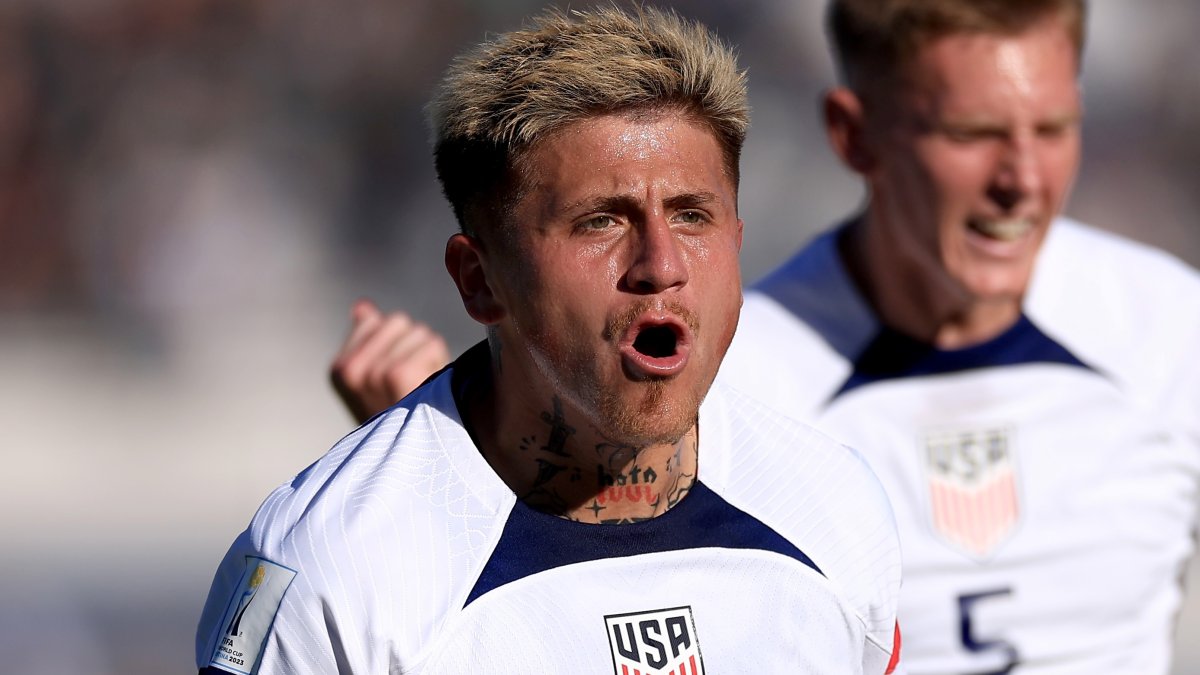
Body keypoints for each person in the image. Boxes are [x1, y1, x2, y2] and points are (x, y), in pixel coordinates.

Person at [330, 1, 1200, 672]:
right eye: (971, 134)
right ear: (852, 135)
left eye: (1054, 128)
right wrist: (439, 451)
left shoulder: (1170, 329)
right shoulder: (724, 374)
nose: (1022, 179)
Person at [197, 7, 902, 674]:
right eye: (601, 221)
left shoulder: (833, 505)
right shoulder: (334, 568)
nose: (662, 265)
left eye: (692, 215)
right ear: (479, 280)